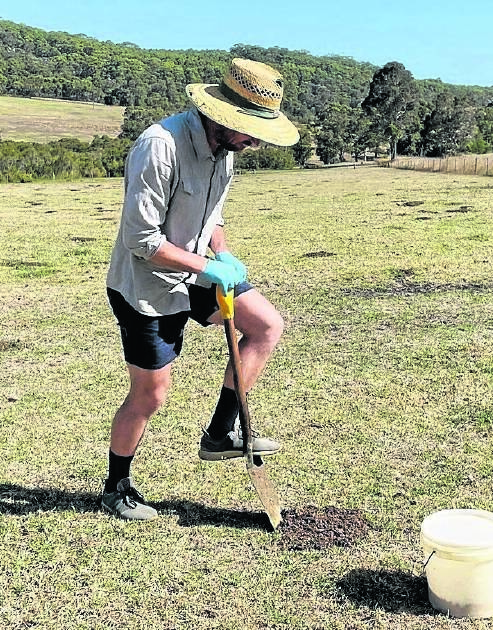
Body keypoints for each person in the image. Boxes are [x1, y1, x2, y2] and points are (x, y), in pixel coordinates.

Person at [101, 58, 300, 521]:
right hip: (146, 285)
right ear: (222, 117)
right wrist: (207, 269)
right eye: (250, 130)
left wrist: (222, 254)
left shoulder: (225, 153)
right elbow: (142, 239)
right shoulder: (160, 146)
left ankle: (220, 434)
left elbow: (213, 216)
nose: (253, 142)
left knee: (266, 325)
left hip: (197, 272)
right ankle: (116, 487)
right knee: (151, 395)